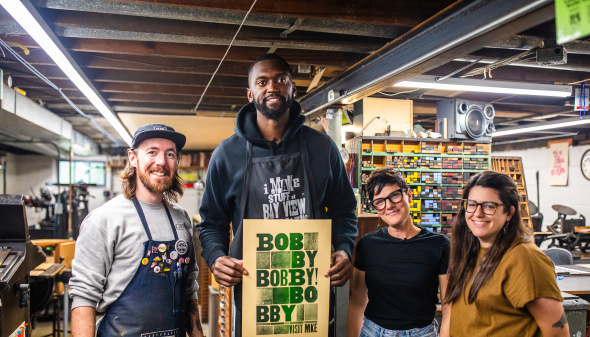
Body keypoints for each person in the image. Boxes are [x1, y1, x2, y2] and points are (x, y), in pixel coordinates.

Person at [198, 53, 358, 335]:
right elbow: (212, 223)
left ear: (292, 88)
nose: (272, 87)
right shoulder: (227, 155)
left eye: (280, 79)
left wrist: (344, 249)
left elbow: (345, 210)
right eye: (262, 81)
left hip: (311, 294)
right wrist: (215, 257)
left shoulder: (322, 147)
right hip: (253, 295)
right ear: (250, 93)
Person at [70, 124, 203, 337]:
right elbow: (84, 298)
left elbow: (189, 291)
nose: (161, 161)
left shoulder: (182, 218)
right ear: (133, 158)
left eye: (170, 154)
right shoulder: (105, 219)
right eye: (152, 152)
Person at [445, 171, 569, 336]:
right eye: (472, 204)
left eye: (489, 206)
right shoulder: (469, 250)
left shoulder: (525, 258)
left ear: (509, 213)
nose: (478, 213)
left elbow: (558, 333)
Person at [348, 167, 450, 337]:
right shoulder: (367, 244)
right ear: (376, 208)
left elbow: (449, 306)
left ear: (408, 195)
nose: (389, 206)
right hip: (373, 333)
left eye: (394, 195)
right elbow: (357, 303)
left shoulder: (439, 244)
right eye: (379, 202)